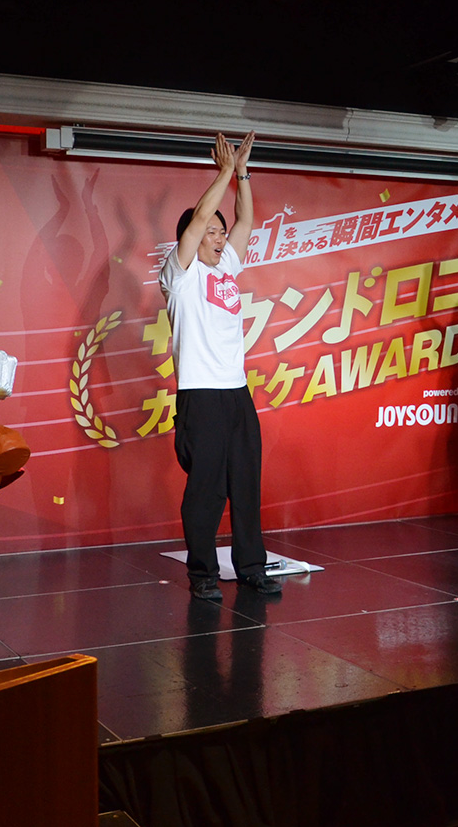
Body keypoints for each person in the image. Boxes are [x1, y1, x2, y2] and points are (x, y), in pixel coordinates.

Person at [158, 131, 282, 601]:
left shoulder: (226, 266)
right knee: (206, 492)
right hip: (201, 395)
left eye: (219, 231)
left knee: (246, 485)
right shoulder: (179, 275)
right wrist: (224, 171)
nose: (219, 236)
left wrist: (242, 173)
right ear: (190, 239)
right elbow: (197, 222)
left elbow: (246, 219)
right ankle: (203, 575)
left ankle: (251, 567)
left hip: (236, 393)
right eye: (211, 231)